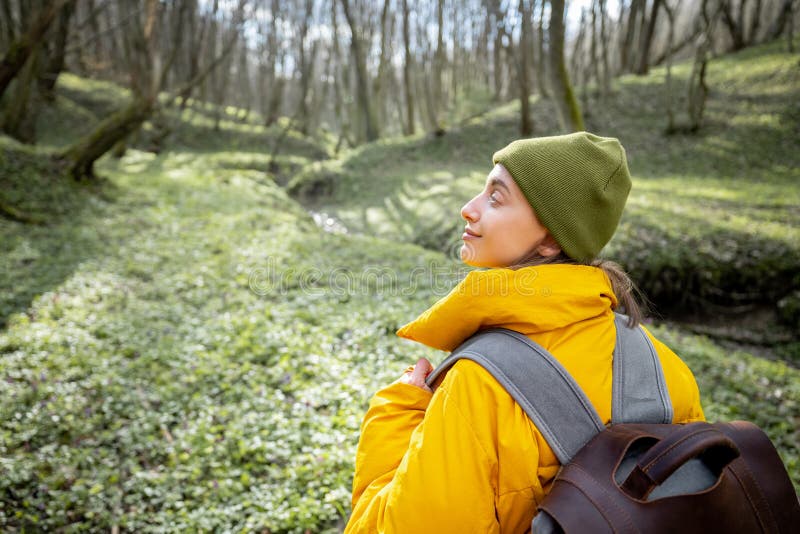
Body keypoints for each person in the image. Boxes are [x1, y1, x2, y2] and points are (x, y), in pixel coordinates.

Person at [344, 132, 705, 533]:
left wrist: (397, 413)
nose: (468, 209)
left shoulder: (478, 386)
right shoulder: (667, 372)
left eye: (495, 198)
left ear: (551, 239)